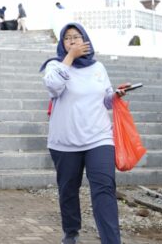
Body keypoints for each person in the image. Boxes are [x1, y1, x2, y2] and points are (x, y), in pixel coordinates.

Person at [41, 23, 130, 244]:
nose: (72, 41)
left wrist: (116, 95)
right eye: (67, 38)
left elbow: (106, 99)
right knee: (69, 191)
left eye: (77, 37)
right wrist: (69, 58)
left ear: (86, 40)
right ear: (62, 43)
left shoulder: (98, 67)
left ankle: (111, 240)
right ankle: (71, 233)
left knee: (104, 188)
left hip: (99, 137)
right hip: (65, 142)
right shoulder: (55, 65)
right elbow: (53, 87)